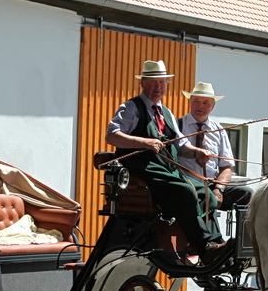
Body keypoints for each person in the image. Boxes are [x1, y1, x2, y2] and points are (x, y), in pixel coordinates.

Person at [106, 61, 228, 257]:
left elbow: (180, 145)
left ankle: (216, 243)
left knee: (207, 194)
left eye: (162, 82)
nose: (158, 87)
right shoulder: (131, 107)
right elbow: (112, 136)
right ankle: (204, 246)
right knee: (186, 191)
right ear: (143, 83)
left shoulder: (167, 113)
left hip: (166, 169)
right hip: (144, 170)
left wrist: (197, 152)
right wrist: (144, 142)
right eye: (153, 82)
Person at [177, 80, 249, 211]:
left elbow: (226, 167)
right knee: (203, 197)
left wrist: (219, 189)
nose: (200, 106)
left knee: (246, 193)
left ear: (213, 106)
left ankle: (246, 231)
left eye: (205, 103)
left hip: (211, 185)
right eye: (196, 101)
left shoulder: (219, 131)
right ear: (190, 103)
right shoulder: (177, 127)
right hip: (185, 185)